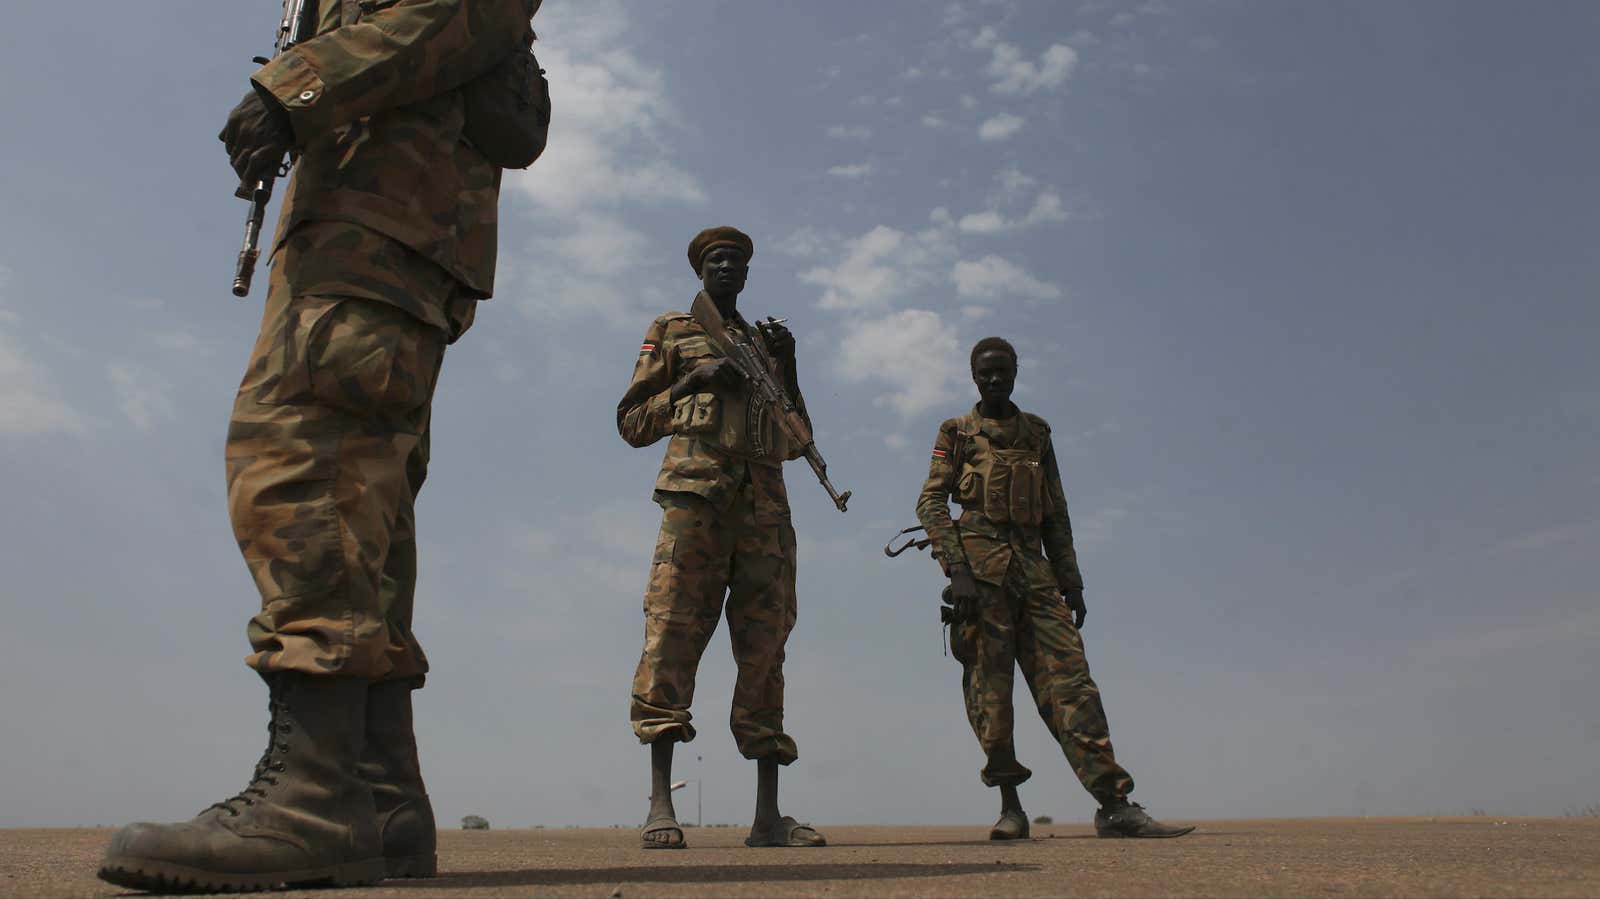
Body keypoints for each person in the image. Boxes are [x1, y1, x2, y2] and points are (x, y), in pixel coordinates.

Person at [98, 0, 536, 892]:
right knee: (362, 495)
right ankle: (377, 800)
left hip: (383, 222)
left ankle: (310, 802)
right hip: (371, 221)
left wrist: (296, 86)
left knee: (304, 459)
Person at [915, 337, 1194, 841]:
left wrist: (1072, 582)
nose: (994, 379)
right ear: (973, 376)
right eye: (985, 372)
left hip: (1036, 578)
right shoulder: (956, 432)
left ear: (1016, 373)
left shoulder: (1038, 433)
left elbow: (1056, 513)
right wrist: (956, 572)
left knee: (1074, 687)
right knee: (990, 696)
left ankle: (1114, 805)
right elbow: (931, 504)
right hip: (980, 579)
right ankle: (1010, 807)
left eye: (1003, 371)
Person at [617, 226, 826, 851]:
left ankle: (767, 818)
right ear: (701, 269)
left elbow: (796, 440)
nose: (728, 265)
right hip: (696, 506)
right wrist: (696, 378)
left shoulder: (762, 344)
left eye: (737, 258)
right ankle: (660, 805)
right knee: (672, 638)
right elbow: (630, 423)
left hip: (764, 514)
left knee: (766, 652)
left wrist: (787, 366)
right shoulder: (675, 329)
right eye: (717, 258)